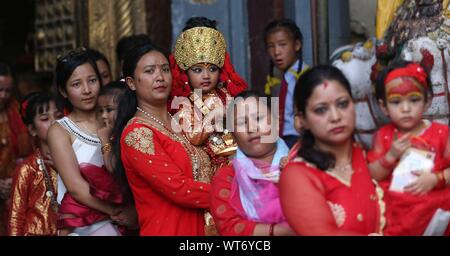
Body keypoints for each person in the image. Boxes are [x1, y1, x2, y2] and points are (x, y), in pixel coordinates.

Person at [112, 43, 213, 236]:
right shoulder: (137, 133)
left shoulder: (183, 121)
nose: (160, 77)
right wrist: (234, 192)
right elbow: (179, 189)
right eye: (150, 71)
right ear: (132, 83)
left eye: (165, 69)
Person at [279, 66, 385, 236]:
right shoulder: (297, 176)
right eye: (321, 110)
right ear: (302, 119)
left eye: (343, 104)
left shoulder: (372, 158)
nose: (336, 117)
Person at [48, 48, 127, 236]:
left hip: (125, 219)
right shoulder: (60, 130)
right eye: (76, 84)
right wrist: (114, 212)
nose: (87, 90)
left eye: (92, 81)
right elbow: (75, 187)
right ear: (63, 90)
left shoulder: (116, 119)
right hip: (83, 225)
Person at [368, 61, 450, 236]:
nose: (406, 109)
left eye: (414, 100)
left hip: (433, 211)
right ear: (384, 107)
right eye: (396, 102)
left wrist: (437, 179)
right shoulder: (384, 135)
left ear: (427, 100)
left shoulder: (442, 133)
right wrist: (390, 156)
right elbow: (373, 175)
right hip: (396, 212)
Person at [210, 91, 295, 236]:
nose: (252, 128)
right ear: (233, 134)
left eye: (258, 118)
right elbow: (230, 228)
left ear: (276, 120)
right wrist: (285, 231)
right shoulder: (226, 178)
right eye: (242, 123)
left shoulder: (301, 160)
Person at [170, 17, 248, 167]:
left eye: (212, 69)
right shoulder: (185, 102)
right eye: (198, 70)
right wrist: (212, 117)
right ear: (185, 71)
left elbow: (245, 121)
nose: (206, 76)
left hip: (238, 158)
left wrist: (228, 113)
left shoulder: (226, 93)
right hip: (209, 166)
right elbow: (193, 136)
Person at [8, 92, 64, 236]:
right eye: (45, 118)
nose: (54, 122)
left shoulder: (75, 160)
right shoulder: (27, 169)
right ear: (32, 129)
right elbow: (15, 219)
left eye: (59, 116)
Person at [96, 81, 139, 234]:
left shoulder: (129, 134)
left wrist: (105, 141)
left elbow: (114, 167)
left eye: (109, 110)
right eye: (100, 110)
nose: (103, 116)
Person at [264, 19, 310, 148]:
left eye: (282, 44)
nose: (276, 52)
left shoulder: (305, 77)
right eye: (271, 46)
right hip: (279, 140)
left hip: (298, 140)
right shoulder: (276, 79)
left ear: (296, 45)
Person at [0, 63, 32, 235]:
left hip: (15, 190)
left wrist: (16, 178)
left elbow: (27, 152)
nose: (3, 96)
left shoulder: (16, 110)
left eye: (7, 91)